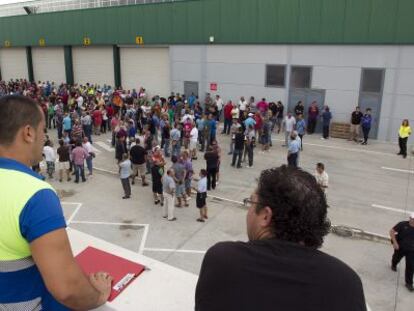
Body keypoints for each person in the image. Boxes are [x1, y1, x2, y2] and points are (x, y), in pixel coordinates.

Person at [195, 166, 366, 311]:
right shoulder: (347, 283)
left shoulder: (224, 261)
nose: (248, 211)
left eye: (251, 203)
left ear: (265, 216)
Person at [0, 95, 112, 310]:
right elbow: (67, 289)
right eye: (43, 131)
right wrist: (99, 296)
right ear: (29, 133)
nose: (44, 138)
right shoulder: (34, 194)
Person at [390, 213, 414, 292]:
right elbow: (392, 231)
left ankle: (409, 283)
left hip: (411, 250)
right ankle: (394, 264)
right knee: (396, 259)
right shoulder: (402, 224)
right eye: (413, 219)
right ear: (410, 218)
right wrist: (395, 243)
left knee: (410, 266)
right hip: (400, 247)